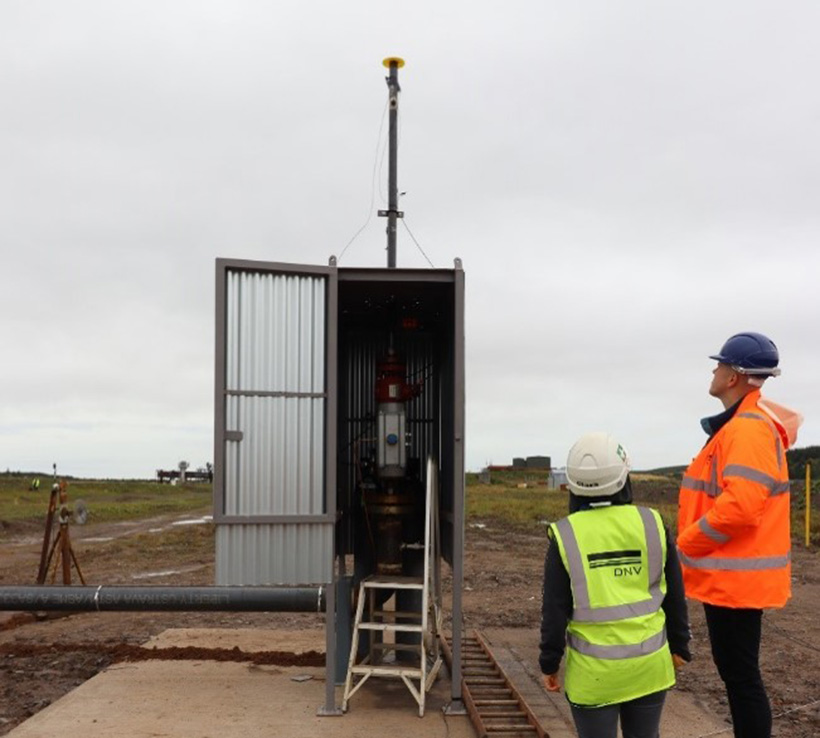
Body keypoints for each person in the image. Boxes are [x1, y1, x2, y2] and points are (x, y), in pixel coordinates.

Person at [677, 332, 800, 738]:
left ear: (735, 376)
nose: (714, 369)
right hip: (729, 579)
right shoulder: (740, 426)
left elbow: (742, 506)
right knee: (737, 675)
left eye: (720, 363)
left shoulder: (747, 430)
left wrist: (686, 544)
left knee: (742, 678)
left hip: (736, 581)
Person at [540, 432, 690, 738]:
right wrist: (680, 646)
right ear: (624, 477)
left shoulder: (566, 535)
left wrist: (549, 662)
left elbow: (554, 609)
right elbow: (675, 595)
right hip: (649, 666)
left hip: (593, 674)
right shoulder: (653, 523)